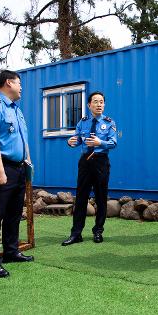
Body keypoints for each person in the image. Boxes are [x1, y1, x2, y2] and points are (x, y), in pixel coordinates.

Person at [0, 70, 34, 278]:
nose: (21, 87)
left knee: (13, 214)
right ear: (8, 83)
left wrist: (27, 163)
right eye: (19, 83)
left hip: (18, 168)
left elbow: (23, 140)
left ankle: (11, 251)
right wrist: (0, 171)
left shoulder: (16, 110)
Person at [62, 91, 117, 246]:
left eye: (101, 102)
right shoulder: (83, 121)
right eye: (96, 102)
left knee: (101, 198)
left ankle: (98, 231)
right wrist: (71, 141)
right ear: (89, 105)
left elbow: (113, 142)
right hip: (85, 162)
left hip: (101, 162)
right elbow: (78, 138)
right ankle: (76, 233)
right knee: (81, 198)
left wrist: (100, 143)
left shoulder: (109, 122)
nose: (99, 104)